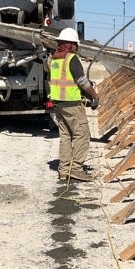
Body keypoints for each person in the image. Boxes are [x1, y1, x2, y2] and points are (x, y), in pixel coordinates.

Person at [48, 27, 100, 182]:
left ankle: (64, 170)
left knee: (65, 136)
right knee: (82, 135)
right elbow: (81, 82)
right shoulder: (71, 59)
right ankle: (76, 168)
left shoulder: (53, 59)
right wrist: (94, 95)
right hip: (71, 104)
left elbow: (64, 79)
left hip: (58, 103)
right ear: (72, 45)